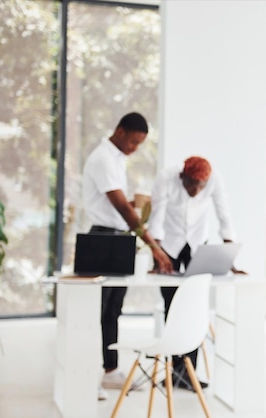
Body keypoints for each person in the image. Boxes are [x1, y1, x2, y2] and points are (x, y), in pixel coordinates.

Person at [82, 112, 173, 400]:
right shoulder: (103, 159)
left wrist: (137, 204)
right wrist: (154, 246)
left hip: (118, 237)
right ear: (120, 131)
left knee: (113, 309)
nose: (135, 148)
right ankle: (86, 377)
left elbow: (118, 203)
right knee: (95, 311)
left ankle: (110, 371)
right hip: (102, 238)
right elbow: (121, 208)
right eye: (134, 142)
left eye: (139, 144)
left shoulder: (116, 160)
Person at [148, 155, 244, 390]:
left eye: (201, 186)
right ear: (183, 176)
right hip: (168, 246)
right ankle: (173, 373)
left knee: (193, 305)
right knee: (172, 305)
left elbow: (224, 214)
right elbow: (156, 217)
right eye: (192, 185)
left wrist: (230, 255)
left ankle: (189, 373)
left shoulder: (214, 180)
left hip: (197, 244)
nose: (196, 190)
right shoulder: (166, 178)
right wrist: (157, 256)